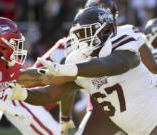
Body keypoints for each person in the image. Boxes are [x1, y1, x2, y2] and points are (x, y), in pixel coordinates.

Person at [22, 6, 157, 135]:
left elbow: (110, 65)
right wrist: (17, 91)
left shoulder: (121, 41)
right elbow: (48, 94)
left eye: (84, 33)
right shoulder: (78, 60)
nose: (80, 40)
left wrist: (69, 69)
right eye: (77, 35)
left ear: (106, 31)